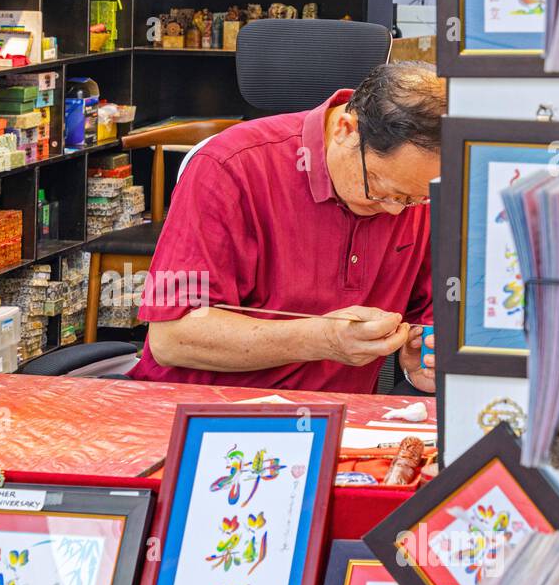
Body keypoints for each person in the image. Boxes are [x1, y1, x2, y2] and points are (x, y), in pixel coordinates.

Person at [129, 61, 444, 394]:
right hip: (203, 414)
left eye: (412, 199)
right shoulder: (230, 167)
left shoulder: (416, 195)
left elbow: (429, 319)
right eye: (380, 188)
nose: (395, 210)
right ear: (345, 130)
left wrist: (422, 362)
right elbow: (172, 338)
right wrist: (322, 339)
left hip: (339, 424)